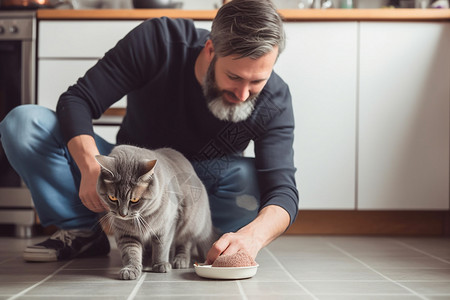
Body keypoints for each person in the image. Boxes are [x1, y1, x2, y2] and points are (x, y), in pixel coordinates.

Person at [0, 0, 298, 264]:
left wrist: (253, 239)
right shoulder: (159, 41)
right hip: (130, 181)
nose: (244, 94)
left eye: (257, 81)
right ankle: (82, 233)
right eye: (233, 77)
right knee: (24, 124)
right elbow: (77, 100)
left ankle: (208, 241)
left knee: (247, 179)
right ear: (210, 51)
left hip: (199, 192)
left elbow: (282, 190)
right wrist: (91, 165)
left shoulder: (275, 99)